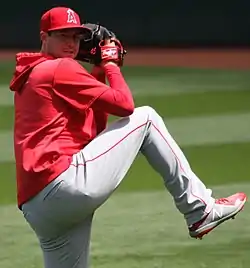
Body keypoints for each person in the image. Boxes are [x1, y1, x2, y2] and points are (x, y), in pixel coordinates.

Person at [9, 5, 247, 268]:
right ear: (44, 37)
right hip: (63, 186)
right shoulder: (60, 68)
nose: (72, 44)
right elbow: (125, 106)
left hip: (40, 208)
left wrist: (98, 70)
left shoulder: (33, 74)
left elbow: (94, 136)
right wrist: (111, 66)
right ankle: (200, 209)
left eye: (76, 37)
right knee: (146, 118)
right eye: (63, 35)